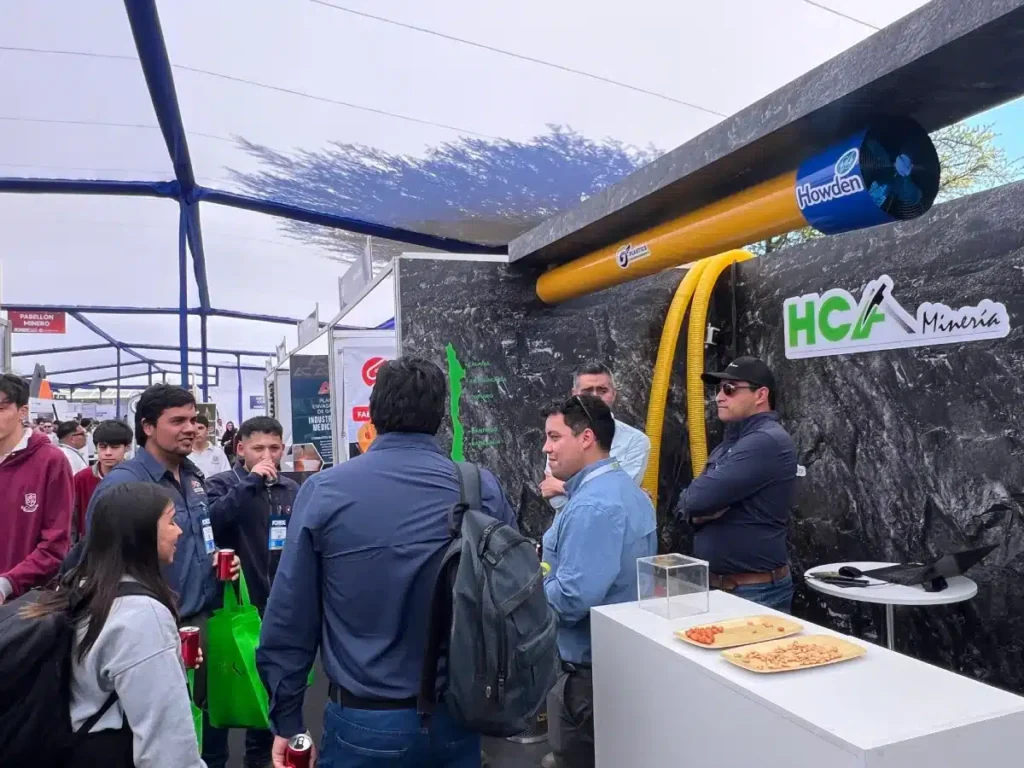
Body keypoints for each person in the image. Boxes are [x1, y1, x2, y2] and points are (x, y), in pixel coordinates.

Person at [257, 356, 518, 768]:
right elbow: (509, 596)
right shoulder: (479, 486)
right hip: (461, 715)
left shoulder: (326, 492)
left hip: (365, 719)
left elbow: (291, 615)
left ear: (374, 414)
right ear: (440, 416)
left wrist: (287, 718)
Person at [77, 383, 239, 768]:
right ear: (147, 427)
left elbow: (198, 538)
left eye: (194, 419)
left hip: (200, 623)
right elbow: (97, 562)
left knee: (206, 735)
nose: (190, 428)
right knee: (163, 741)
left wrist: (223, 568)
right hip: (149, 635)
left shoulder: (193, 477)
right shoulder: (124, 485)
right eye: (177, 421)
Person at [22, 483, 207, 767]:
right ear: (141, 535)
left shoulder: (81, 586)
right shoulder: (142, 616)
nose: (178, 531)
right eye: (171, 522)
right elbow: (168, 747)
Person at [540, 394, 657, 768]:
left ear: (586, 438)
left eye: (555, 437)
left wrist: (527, 594)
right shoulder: (625, 491)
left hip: (587, 680)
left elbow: (573, 598)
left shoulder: (593, 506)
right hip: (615, 668)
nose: (547, 448)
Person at [205, 416, 299, 768]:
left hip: (278, 608)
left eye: (274, 448)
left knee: (268, 705)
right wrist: (251, 482)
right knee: (224, 700)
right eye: (259, 448)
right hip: (230, 608)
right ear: (240, 448)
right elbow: (214, 522)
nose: (268, 456)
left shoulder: (291, 489)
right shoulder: (219, 484)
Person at [674, 357, 797, 612]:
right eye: (718, 389)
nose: (719, 397)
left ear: (760, 394)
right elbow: (691, 502)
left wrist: (697, 507)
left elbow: (697, 498)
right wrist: (695, 515)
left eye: (729, 389)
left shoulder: (765, 441)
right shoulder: (732, 442)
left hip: (754, 593)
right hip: (726, 589)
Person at [0, 374, 73, 605]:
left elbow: (56, 544)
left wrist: (7, 583)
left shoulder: (50, 461)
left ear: (22, 412)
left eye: (0, 408)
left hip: (27, 604)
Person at [540, 362, 651, 510]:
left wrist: (562, 487)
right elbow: (557, 502)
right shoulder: (560, 435)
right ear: (574, 395)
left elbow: (621, 499)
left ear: (614, 394)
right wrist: (614, 491)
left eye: (602, 390)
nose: (595, 397)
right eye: (587, 391)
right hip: (569, 526)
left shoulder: (636, 441)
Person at [72, 419, 134, 545]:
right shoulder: (82, 478)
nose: (108, 453)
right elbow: (72, 518)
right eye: (103, 447)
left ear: (127, 447)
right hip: (89, 548)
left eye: (115, 447)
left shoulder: (136, 477)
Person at [190, 414, 231, 479]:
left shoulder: (218, 453)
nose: (197, 432)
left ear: (207, 430)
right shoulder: (185, 455)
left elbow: (227, 478)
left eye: (200, 428)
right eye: (194, 428)